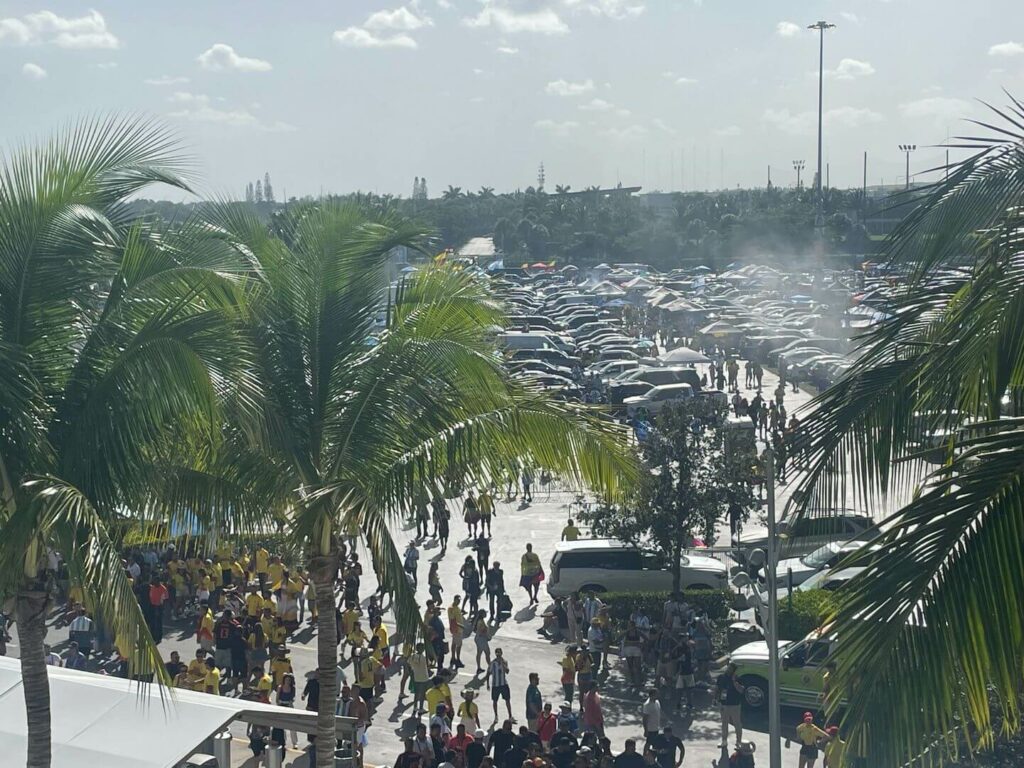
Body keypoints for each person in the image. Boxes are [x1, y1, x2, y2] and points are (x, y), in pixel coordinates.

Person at [716, 662, 745, 749]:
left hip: (735, 704)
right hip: (724, 704)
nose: (728, 670)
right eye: (728, 668)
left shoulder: (738, 679)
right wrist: (716, 700)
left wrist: (734, 681)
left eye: (731, 669)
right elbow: (718, 688)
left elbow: (741, 690)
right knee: (724, 723)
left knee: (737, 724)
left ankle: (738, 741)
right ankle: (724, 741)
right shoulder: (721, 677)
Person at [487, 647, 513, 722]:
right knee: (495, 701)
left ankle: (510, 716)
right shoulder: (493, 663)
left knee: (507, 700)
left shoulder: (504, 661)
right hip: (495, 685)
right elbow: (488, 673)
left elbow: (507, 671)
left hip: (503, 684)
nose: (498, 654)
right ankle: (496, 716)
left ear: (502, 653)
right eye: (497, 652)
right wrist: (488, 684)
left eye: (499, 652)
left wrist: (503, 664)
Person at [409, 642, 431, 713]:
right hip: (424, 677)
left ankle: (415, 707)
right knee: (422, 694)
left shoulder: (412, 656)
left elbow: (408, 663)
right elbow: (429, 664)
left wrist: (411, 672)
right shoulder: (423, 657)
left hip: (416, 677)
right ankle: (421, 708)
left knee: (416, 693)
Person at [448, 596, 465, 669]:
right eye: (457, 600)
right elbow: (453, 621)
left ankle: (453, 658)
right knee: (459, 645)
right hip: (457, 629)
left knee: (454, 643)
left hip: (458, 629)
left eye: (459, 600)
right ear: (454, 599)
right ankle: (457, 659)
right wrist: (461, 626)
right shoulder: (451, 608)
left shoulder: (457, 607)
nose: (459, 602)